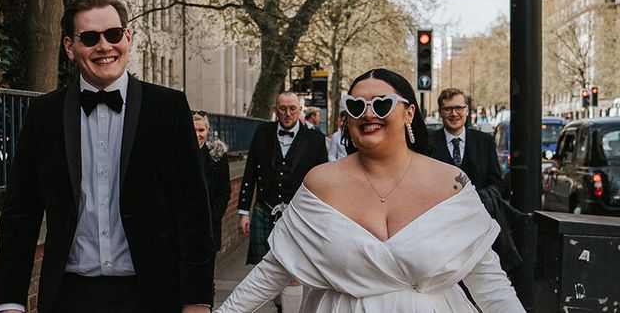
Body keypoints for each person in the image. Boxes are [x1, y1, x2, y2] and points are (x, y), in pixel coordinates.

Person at [217, 69, 525, 312]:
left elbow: (489, 282)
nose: (368, 113)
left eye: (381, 104)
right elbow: (273, 270)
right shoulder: (320, 183)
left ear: (408, 113)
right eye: (355, 106)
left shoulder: (451, 183)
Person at [0, 0, 214, 313]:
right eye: (90, 37)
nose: (104, 46)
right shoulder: (44, 114)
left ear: (127, 38)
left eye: (113, 34)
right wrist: (9, 302)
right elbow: (21, 213)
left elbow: (193, 210)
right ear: (70, 47)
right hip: (68, 297)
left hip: (152, 296)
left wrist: (196, 300)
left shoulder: (168, 109)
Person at [237, 91, 327, 312]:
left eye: (292, 109)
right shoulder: (262, 132)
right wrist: (243, 211)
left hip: (298, 215)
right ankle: (280, 308)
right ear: (275, 110)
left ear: (300, 110)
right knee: (267, 269)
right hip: (264, 208)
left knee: (293, 271)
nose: (288, 114)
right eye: (283, 108)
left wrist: (321, 217)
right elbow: (250, 172)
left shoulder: (314, 138)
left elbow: (324, 179)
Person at [431, 88, 523, 274]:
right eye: (448, 109)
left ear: (466, 110)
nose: (454, 113)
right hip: (441, 229)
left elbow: (497, 183)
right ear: (440, 112)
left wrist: (480, 198)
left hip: (479, 226)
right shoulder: (428, 143)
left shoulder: (485, 141)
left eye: (458, 108)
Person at [193, 110, 231, 252]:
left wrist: (213, 216)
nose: (197, 135)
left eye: (201, 130)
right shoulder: (177, 156)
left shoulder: (218, 157)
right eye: (193, 130)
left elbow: (224, 190)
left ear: (208, 130)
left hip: (209, 227)